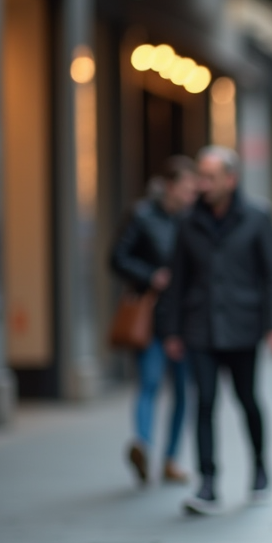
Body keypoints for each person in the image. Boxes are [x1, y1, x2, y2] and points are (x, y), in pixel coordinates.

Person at [156, 146, 272, 515]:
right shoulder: (187, 222)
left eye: (209, 177)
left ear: (230, 180)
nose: (202, 184)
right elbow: (177, 280)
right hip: (199, 328)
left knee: (247, 400)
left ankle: (260, 467)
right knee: (204, 403)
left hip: (244, 326)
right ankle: (208, 483)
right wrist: (171, 331)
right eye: (199, 176)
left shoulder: (258, 216)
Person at [110, 156, 199, 485]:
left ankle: (171, 459)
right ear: (171, 185)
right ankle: (143, 446)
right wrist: (151, 276)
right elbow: (117, 257)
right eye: (188, 189)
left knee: (182, 392)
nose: (192, 195)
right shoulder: (142, 214)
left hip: (185, 320)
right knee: (148, 383)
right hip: (151, 318)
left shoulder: (194, 220)